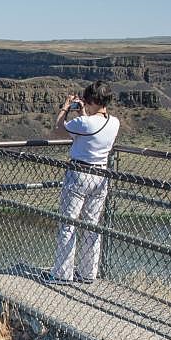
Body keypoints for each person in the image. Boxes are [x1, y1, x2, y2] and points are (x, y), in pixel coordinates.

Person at [48, 80, 119, 283]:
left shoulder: (84, 123)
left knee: (68, 224)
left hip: (79, 174)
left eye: (87, 100)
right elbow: (89, 130)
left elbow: (58, 129)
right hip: (101, 176)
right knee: (91, 225)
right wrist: (83, 114)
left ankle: (62, 274)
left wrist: (65, 107)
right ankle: (88, 273)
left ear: (93, 100)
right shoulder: (114, 122)